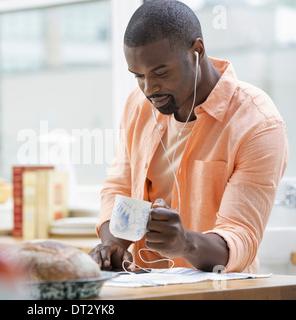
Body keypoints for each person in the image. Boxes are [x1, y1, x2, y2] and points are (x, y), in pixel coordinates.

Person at [89, 0, 288, 273]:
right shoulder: (138, 105)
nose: (149, 88)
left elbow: (240, 237)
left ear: (197, 50)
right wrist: (112, 243)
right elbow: (119, 189)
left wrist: (185, 243)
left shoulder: (258, 124)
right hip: (140, 287)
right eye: (138, 76)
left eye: (161, 72)